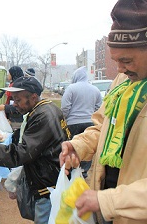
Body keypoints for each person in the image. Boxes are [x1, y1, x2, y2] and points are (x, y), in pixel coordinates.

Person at [59, 1, 147, 223]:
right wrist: (79, 146)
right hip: (108, 206)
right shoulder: (123, 80)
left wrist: (108, 201)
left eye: (126, 60)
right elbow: (103, 125)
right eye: (116, 60)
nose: (119, 69)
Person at [0, 76, 70, 224]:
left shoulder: (44, 116)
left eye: (18, 100)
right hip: (50, 179)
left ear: (34, 97)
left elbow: (22, 153)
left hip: (48, 187)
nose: (14, 104)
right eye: (13, 100)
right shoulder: (45, 109)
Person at [61, 66, 102, 178]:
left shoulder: (71, 88)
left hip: (73, 123)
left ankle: (73, 169)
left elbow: (65, 107)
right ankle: (83, 171)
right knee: (87, 148)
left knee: (74, 146)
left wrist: (66, 118)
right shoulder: (95, 90)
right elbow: (99, 107)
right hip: (90, 122)